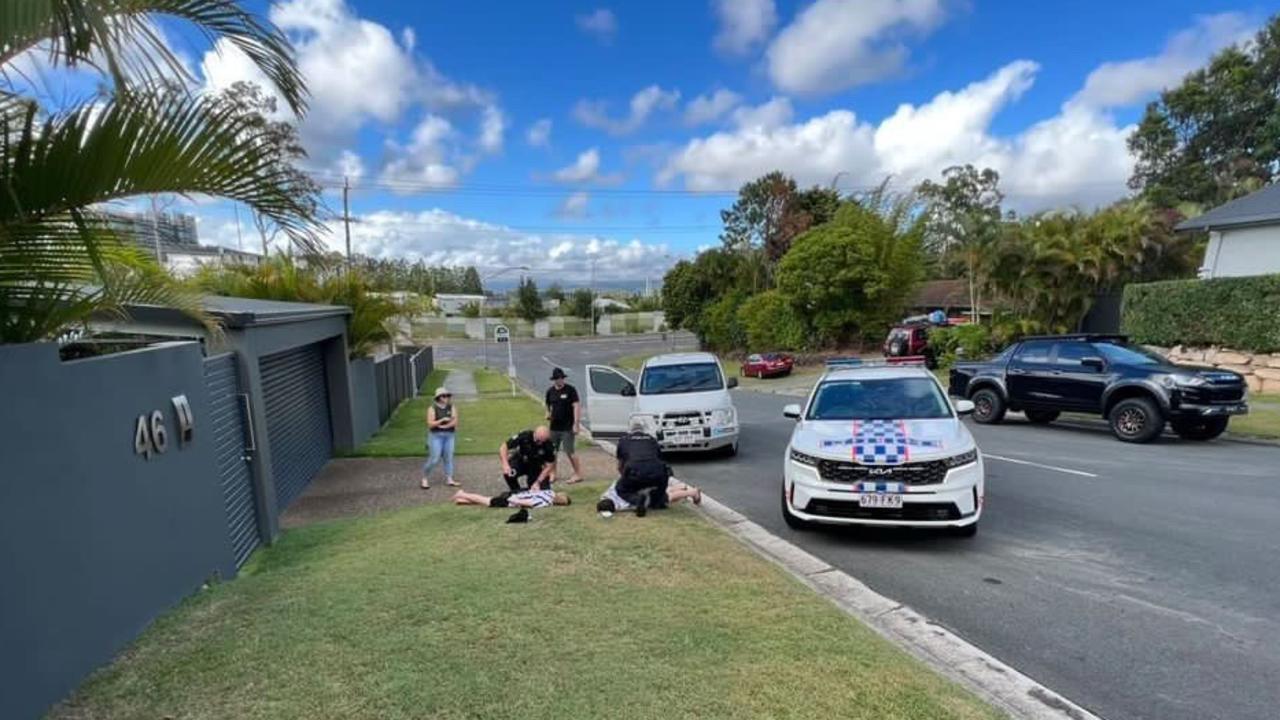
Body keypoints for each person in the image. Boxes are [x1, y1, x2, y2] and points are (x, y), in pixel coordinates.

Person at [545, 368, 584, 484]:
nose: (560, 380)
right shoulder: (550, 391)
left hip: (567, 427)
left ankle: (578, 473)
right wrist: (547, 413)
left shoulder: (570, 390)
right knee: (552, 451)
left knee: (569, 451)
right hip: (554, 427)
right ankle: (553, 473)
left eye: (561, 378)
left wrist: (576, 424)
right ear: (554, 380)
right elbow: (547, 405)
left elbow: (576, 406)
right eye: (557, 379)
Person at [420, 387, 459, 489]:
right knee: (434, 458)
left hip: (449, 436)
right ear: (438, 397)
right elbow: (430, 424)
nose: (446, 398)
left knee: (448, 457)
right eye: (444, 396)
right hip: (436, 436)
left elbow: (455, 421)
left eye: (447, 396)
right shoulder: (432, 408)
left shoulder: (451, 407)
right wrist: (441, 420)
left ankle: (449, 478)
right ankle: (424, 478)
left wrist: (445, 426)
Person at [500, 425, 557, 493]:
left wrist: (538, 482)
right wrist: (505, 464)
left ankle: (532, 488)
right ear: (535, 433)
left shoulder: (549, 445)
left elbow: (549, 465)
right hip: (521, 461)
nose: (540, 443)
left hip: (536, 465)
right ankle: (516, 490)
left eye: (542, 441)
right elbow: (504, 446)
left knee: (542, 492)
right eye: (538, 440)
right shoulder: (525, 436)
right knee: (509, 473)